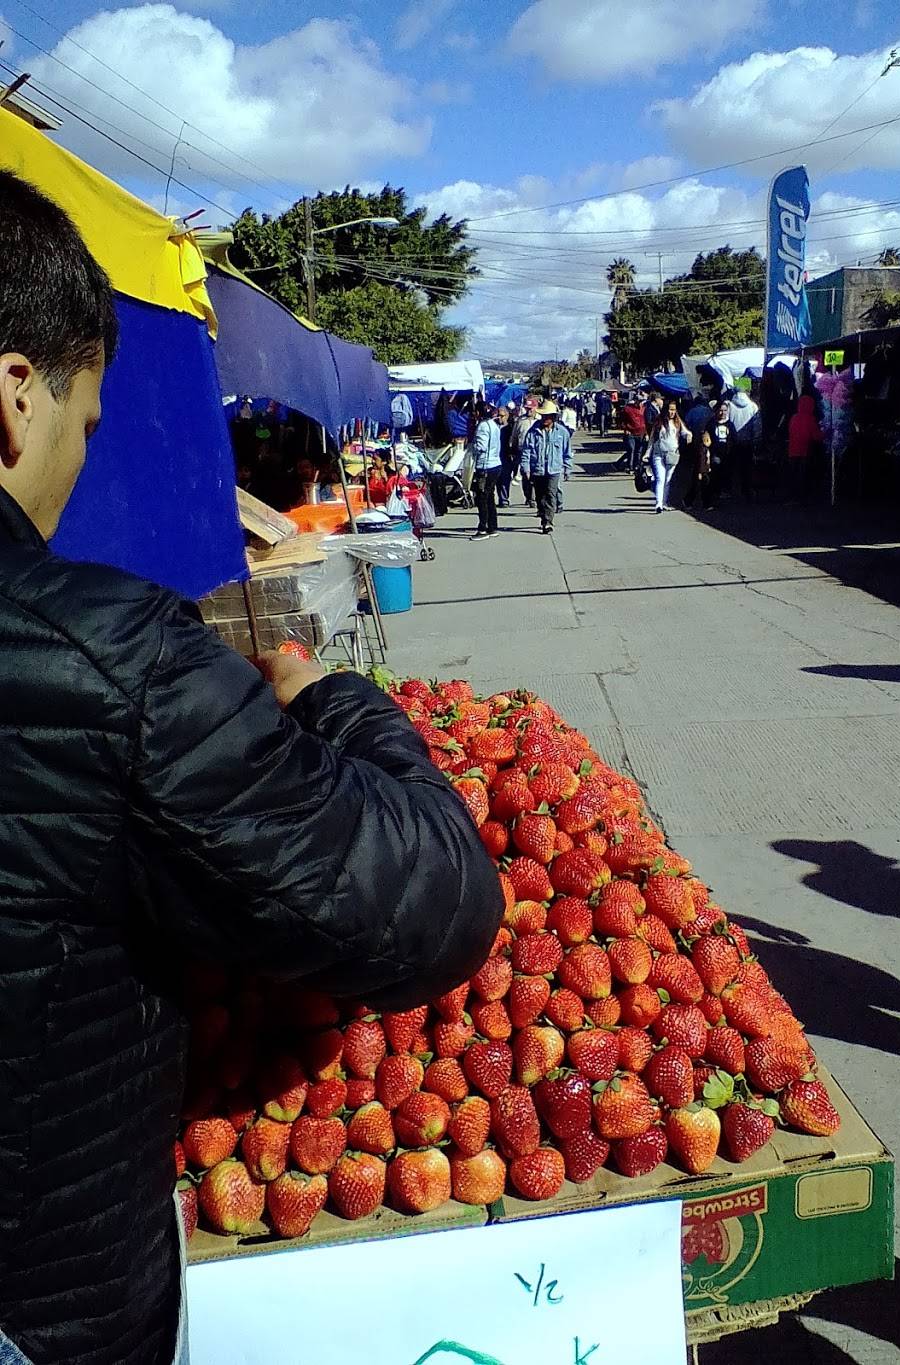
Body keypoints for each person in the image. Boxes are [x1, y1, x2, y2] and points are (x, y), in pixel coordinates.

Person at [0, 170, 503, 1365]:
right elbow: (433, 906)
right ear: (14, 396)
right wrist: (336, 703)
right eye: (89, 422)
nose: (79, 465)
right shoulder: (104, 657)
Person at [520, 399, 571, 534]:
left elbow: (567, 452)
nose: (544, 419)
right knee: (540, 496)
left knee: (550, 494)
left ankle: (548, 521)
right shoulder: (533, 432)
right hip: (537, 469)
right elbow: (527, 451)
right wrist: (526, 468)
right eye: (543, 416)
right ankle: (543, 515)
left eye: (547, 416)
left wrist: (567, 468)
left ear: (553, 417)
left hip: (554, 469)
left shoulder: (562, 432)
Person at [648, 398, 691, 513]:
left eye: (674, 410)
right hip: (658, 454)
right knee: (660, 479)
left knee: (668, 480)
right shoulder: (658, 421)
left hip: (672, 455)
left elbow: (685, 432)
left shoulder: (677, 421)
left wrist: (688, 436)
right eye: (670, 409)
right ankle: (658, 504)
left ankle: (664, 502)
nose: (672, 412)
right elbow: (652, 439)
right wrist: (647, 454)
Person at [469, 403, 503, 540]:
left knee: (482, 497)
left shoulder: (483, 426)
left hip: (486, 465)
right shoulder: (494, 425)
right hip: (495, 463)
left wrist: (472, 446)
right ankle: (492, 526)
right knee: (489, 496)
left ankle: (483, 528)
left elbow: (481, 446)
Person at [787, 392, 823, 500]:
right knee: (804, 476)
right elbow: (816, 436)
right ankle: (802, 497)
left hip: (792, 451)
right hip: (805, 451)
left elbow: (790, 430)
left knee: (794, 475)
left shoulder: (794, 417)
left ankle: (793, 496)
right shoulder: (811, 419)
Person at [705, 400, 736, 506]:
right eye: (720, 410)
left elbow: (734, 438)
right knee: (715, 472)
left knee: (726, 473)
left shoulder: (730, 425)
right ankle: (715, 492)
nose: (722, 413)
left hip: (727, 454)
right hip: (715, 453)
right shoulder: (711, 423)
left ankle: (725, 491)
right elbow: (706, 437)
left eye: (725, 410)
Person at [510, 396, 539, 506]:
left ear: (536, 408)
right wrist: (512, 448)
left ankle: (536, 497)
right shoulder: (520, 421)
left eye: (531, 408)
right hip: (522, 451)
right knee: (525, 476)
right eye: (527, 408)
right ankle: (529, 497)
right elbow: (514, 436)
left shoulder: (540, 420)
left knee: (536, 476)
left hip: (536, 453)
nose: (529, 410)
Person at [620, 393, 647, 472]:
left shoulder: (644, 409)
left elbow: (647, 420)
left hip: (641, 433)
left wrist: (646, 432)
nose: (640, 403)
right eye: (638, 401)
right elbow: (622, 420)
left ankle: (637, 466)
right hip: (631, 433)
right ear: (635, 401)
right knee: (631, 449)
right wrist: (625, 429)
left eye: (641, 401)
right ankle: (630, 466)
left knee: (639, 451)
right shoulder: (627, 409)